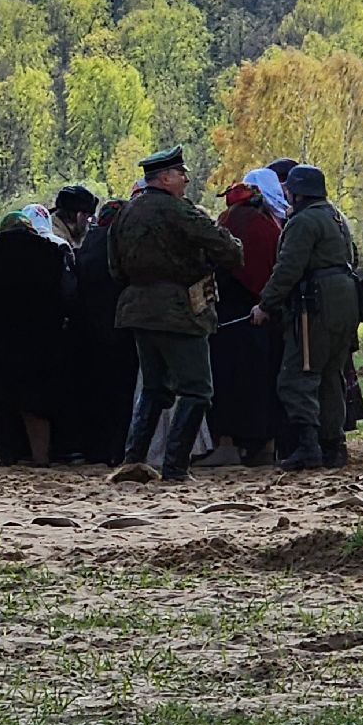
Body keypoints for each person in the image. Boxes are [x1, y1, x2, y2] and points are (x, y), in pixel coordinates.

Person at [107, 146, 244, 484]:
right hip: (180, 309)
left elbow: (115, 267)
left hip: (137, 308)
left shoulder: (126, 212)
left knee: (154, 388)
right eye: (181, 173)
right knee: (197, 389)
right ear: (165, 178)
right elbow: (228, 249)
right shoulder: (180, 211)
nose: (185, 178)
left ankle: (133, 460)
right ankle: (175, 467)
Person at [253, 165, 363, 470]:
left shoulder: (302, 222)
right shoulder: (336, 217)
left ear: (299, 192)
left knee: (298, 376)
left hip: (315, 304)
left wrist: (265, 304)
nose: (286, 193)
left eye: (289, 189)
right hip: (345, 301)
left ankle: (308, 446)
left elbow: (288, 268)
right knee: (331, 375)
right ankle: (334, 447)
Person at [0, 210, 76, 466]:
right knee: (35, 397)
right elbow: (68, 293)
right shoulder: (51, 252)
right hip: (39, 333)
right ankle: (40, 455)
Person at [206, 177, 285, 467]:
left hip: (230, 313)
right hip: (263, 313)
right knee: (263, 380)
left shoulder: (227, 222)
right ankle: (265, 445)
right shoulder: (268, 225)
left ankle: (227, 443)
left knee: (228, 381)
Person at [69, 199, 135, 465]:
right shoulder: (120, 243)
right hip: (119, 329)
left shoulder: (88, 244)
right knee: (120, 393)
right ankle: (116, 450)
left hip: (87, 331)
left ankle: (92, 449)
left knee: (92, 391)